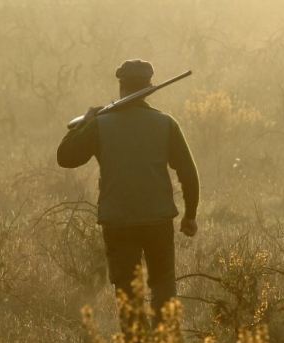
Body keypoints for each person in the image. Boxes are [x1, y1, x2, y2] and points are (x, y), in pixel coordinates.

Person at [56, 59, 200, 323]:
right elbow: (188, 173)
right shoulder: (166, 123)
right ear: (149, 86)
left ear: (121, 87)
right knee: (164, 288)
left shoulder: (100, 125)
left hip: (118, 222)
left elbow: (65, 157)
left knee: (127, 294)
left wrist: (85, 122)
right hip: (158, 220)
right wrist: (190, 215)